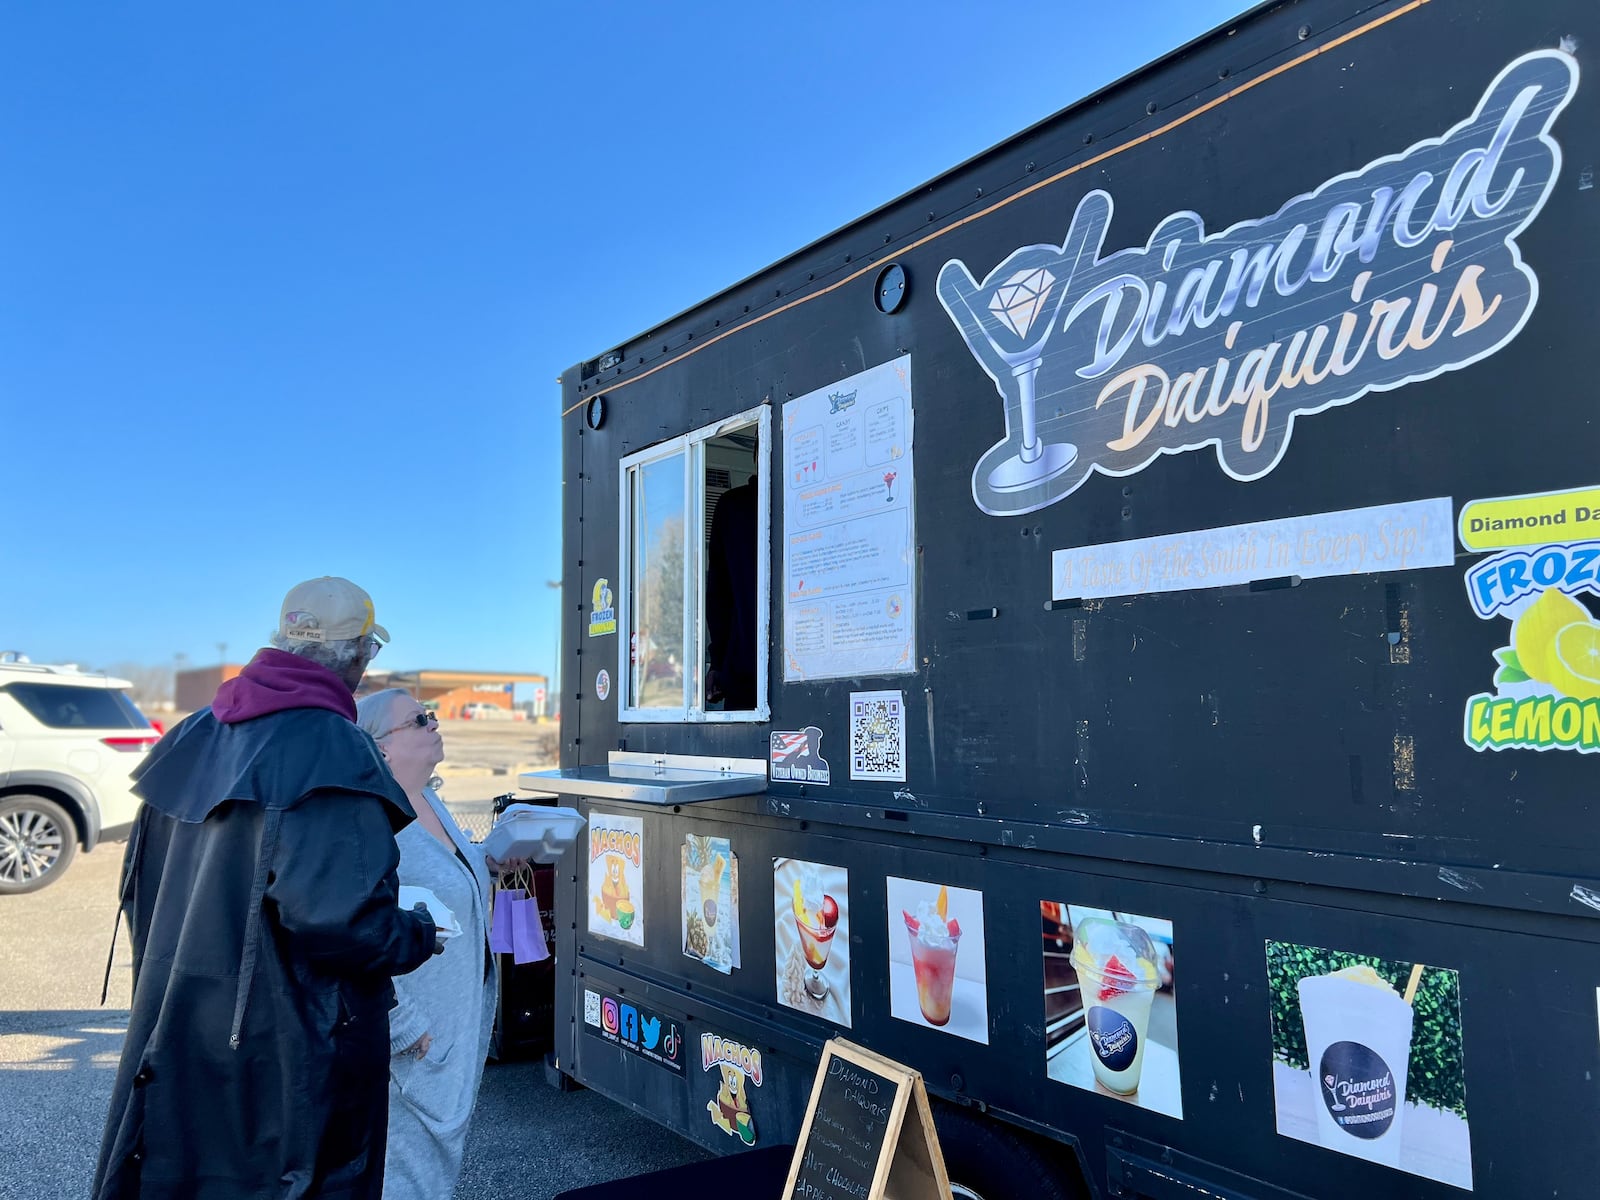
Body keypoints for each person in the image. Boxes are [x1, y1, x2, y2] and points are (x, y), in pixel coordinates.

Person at [93, 578, 439, 1200]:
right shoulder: (332, 745)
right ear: (359, 654)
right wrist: (418, 933)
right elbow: (342, 921)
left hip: (179, 1022)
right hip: (292, 1047)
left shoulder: (194, 733)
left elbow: (142, 885)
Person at [353, 689, 498, 1200]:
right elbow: (354, 931)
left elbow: (445, 880)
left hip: (456, 1028)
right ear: (382, 747)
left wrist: (486, 861)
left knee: (436, 1173)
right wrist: (404, 1028)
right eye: (420, 719)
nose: (435, 723)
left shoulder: (430, 799)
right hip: (414, 1044)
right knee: (403, 1179)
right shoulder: (370, 821)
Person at [705, 467, 758, 710]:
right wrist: (717, 662)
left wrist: (717, 663)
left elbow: (719, 594)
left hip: (743, 673)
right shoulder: (732, 506)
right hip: (744, 674)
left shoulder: (732, 505)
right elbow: (719, 592)